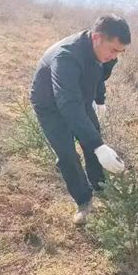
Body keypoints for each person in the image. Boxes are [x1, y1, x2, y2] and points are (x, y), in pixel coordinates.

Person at [30, 15, 130, 225]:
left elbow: (98, 74)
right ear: (96, 38)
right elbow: (67, 103)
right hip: (50, 106)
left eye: (120, 52)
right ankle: (84, 201)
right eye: (113, 50)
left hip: (78, 99)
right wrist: (98, 145)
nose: (115, 57)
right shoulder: (66, 57)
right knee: (67, 154)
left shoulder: (104, 54)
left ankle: (100, 187)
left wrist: (99, 100)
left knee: (93, 139)